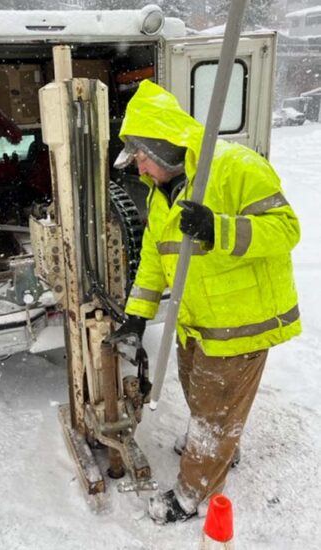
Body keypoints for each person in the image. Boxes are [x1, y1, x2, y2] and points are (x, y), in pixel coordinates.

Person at [111, 80, 301, 524]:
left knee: (215, 412)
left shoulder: (233, 167)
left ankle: (193, 492)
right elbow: (157, 266)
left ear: (159, 146)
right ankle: (218, 449)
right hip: (196, 322)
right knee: (202, 398)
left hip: (241, 323)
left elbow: (287, 229)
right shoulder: (162, 198)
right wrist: (136, 318)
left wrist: (222, 229)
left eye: (140, 157)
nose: (138, 170)